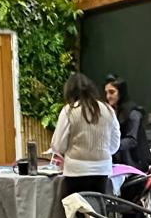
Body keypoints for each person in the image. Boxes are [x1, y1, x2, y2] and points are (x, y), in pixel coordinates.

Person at [50, 73, 120, 205]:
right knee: (97, 210)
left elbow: (58, 145)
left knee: (77, 211)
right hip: (102, 170)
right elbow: (114, 145)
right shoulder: (108, 110)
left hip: (75, 171)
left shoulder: (69, 111)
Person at [105, 76, 147, 169]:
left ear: (121, 92)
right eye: (106, 93)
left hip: (135, 163)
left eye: (112, 92)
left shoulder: (133, 113)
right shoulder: (112, 112)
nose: (108, 96)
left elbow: (132, 140)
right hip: (119, 162)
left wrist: (110, 146)